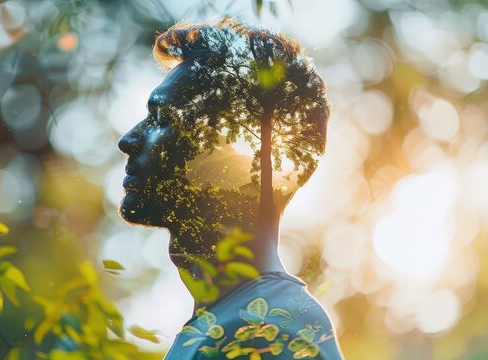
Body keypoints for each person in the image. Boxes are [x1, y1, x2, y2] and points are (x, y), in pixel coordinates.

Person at [118, 18, 343, 359]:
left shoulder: (274, 328)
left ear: (230, 154)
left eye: (162, 118)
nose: (128, 140)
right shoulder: (230, 325)